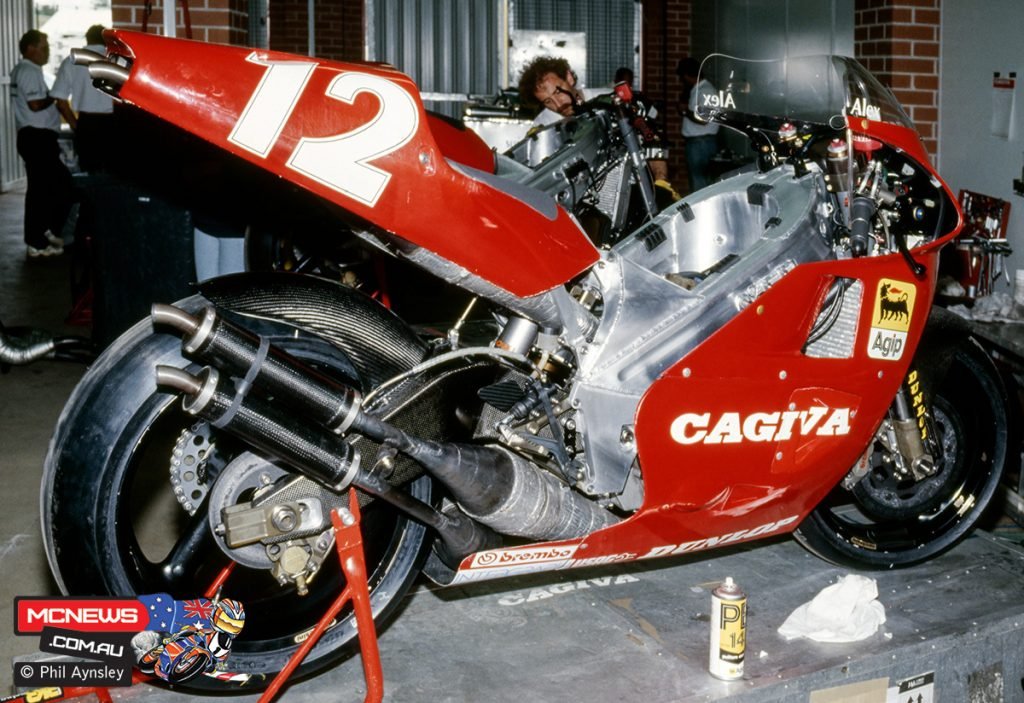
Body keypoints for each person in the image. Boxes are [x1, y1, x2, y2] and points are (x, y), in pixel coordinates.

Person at [10, 29, 73, 258]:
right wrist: (56, 95)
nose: (48, 52)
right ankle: (38, 239)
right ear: (30, 49)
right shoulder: (29, 71)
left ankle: (40, 235)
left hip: (35, 138)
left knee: (43, 190)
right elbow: (35, 104)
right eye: (44, 47)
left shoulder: (25, 70)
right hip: (37, 138)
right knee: (61, 188)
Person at [51, 24, 115, 174]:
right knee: (114, 173)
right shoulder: (115, 60)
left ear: (87, 40)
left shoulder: (71, 61)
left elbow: (60, 101)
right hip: (113, 123)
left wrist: (76, 126)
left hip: (87, 124)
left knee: (89, 171)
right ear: (106, 40)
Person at [677, 57, 721, 193]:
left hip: (701, 144)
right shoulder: (699, 90)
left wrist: (685, 111)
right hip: (700, 143)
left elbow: (704, 119)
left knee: (700, 186)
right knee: (700, 183)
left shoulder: (705, 91)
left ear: (687, 75)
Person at [517, 56, 598, 128]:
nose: (558, 105)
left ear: (569, 78)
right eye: (548, 101)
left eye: (558, 92)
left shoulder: (607, 99)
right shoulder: (544, 125)